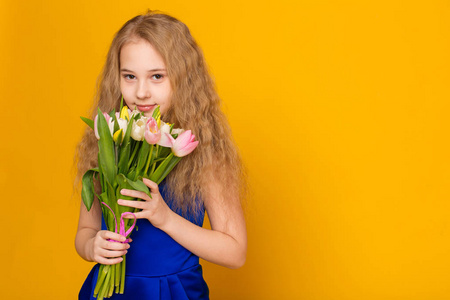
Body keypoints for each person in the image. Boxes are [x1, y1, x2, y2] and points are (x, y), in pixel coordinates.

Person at [75, 11, 247, 299]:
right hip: (108, 292)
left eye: (157, 76)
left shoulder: (205, 155)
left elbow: (235, 252)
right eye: (129, 76)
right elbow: (85, 230)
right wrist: (92, 246)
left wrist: (164, 217)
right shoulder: (107, 143)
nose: (141, 92)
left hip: (172, 292)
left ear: (183, 79)